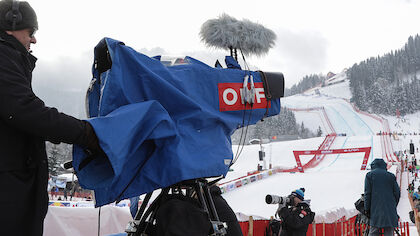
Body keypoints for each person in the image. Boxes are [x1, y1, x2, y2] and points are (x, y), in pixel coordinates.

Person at [0, 1, 104, 235]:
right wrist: (85, 133)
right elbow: (25, 111)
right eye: (31, 32)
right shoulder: (2, 57)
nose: (34, 39)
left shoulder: (10, 59)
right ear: (10, 26)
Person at [364, 158, 400, 236]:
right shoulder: (391, 176)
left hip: (375, 211)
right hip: (389, 211)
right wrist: (393, 205)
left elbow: (367, 194)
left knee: (374, 232)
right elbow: (397, 193)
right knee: (389, 232)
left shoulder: (369, 176)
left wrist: (367, 209)